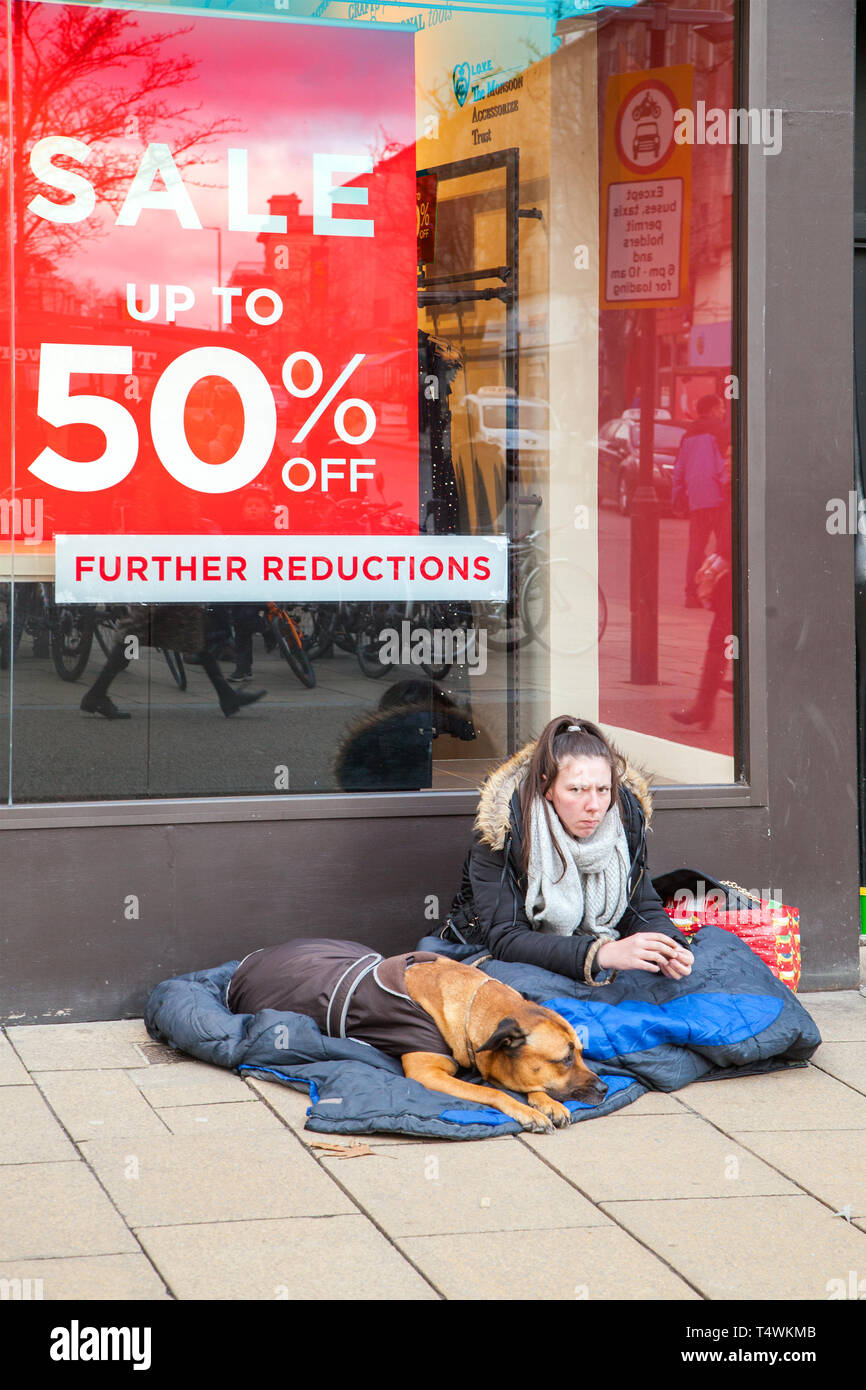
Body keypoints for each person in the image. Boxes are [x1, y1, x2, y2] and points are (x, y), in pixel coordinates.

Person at [442, 716, 694, 985]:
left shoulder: (624, 819)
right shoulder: (504, 829)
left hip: (594, 951)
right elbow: (506, 938)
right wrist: (601, 954)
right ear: (547, 787)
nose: (594, 805)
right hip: (497, 957)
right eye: (577, 790)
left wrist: (670, 947)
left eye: (603, 789)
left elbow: (640, 905)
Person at [672, 395, 729, 607]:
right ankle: (719, 593)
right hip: (720, 498)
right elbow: (724, 464)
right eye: (721, 407)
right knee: (725, 548)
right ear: (713, 409)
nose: (723, 412)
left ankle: (691, 594)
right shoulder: (721, 431)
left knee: (696, 548)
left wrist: (677, 495)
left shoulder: (687, 435)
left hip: (697, 500)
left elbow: (679, 469)